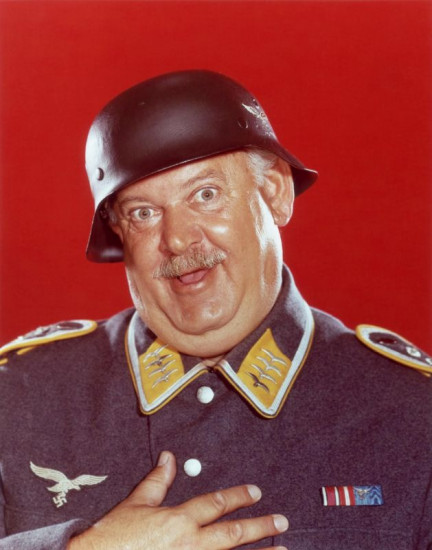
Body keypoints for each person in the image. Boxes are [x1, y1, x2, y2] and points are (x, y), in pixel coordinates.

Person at [0, 70, 431, 550]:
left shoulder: (413, 414)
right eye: (143, 212)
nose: (177, 239)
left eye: (205, 195)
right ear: (119, 232)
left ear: (275, 193)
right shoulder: (19, 395)